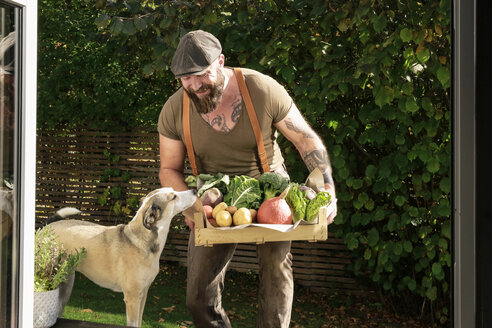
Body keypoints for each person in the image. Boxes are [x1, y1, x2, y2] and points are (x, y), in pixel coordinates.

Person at [158, 30, 337, 328]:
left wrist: (328, 187)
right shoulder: (174, 109)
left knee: (276, 280)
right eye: (185, 78)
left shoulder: (262, 89)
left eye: (201, 75)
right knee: (198, 297)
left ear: (221, 62)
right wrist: (189, 205)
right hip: (214, 201)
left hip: (273, 195)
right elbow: (169, 168)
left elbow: (306, 140)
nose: (194, 85)